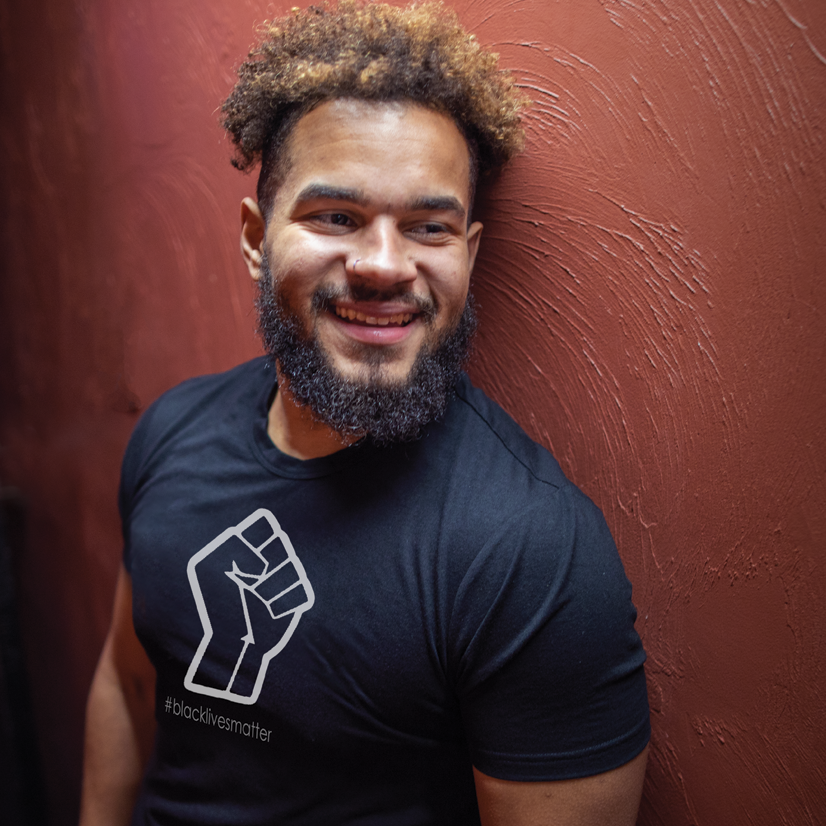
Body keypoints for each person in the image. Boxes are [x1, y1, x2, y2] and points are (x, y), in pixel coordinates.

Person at [79, 2, 650, 824]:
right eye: (337, 217)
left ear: (467, 254)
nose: (383, 265)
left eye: (427, 227)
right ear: (256, 238)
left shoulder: (530, 553)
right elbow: (130, 683)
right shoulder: (171, 434)